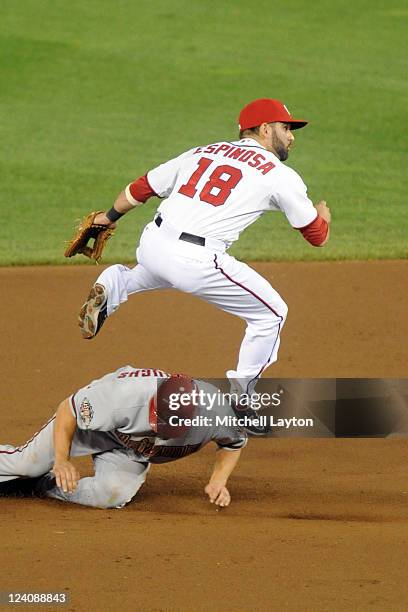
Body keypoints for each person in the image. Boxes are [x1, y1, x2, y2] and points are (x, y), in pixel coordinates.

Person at [78, 98, 331, 395]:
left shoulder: (203, 151)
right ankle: (242, 396)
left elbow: (144, 186)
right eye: (285, 127)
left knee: (156, 271)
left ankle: (116, 282)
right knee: (271, 314)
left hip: (152, 243)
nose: (291, 135)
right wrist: (322, 216)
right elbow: (316, 236)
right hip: (195, 260)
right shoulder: (279, 174)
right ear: (264, 129)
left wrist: (108, 217)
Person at [0, 366, 247, 509]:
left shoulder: (216, 413)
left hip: (130, 450)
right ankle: (31, 472)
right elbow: (69, 409)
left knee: (112, 493)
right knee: (25, 463)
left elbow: (233, 444)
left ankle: (43, 486)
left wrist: (218, 480)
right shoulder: (123, 397)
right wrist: (62, 460)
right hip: (93, 428)